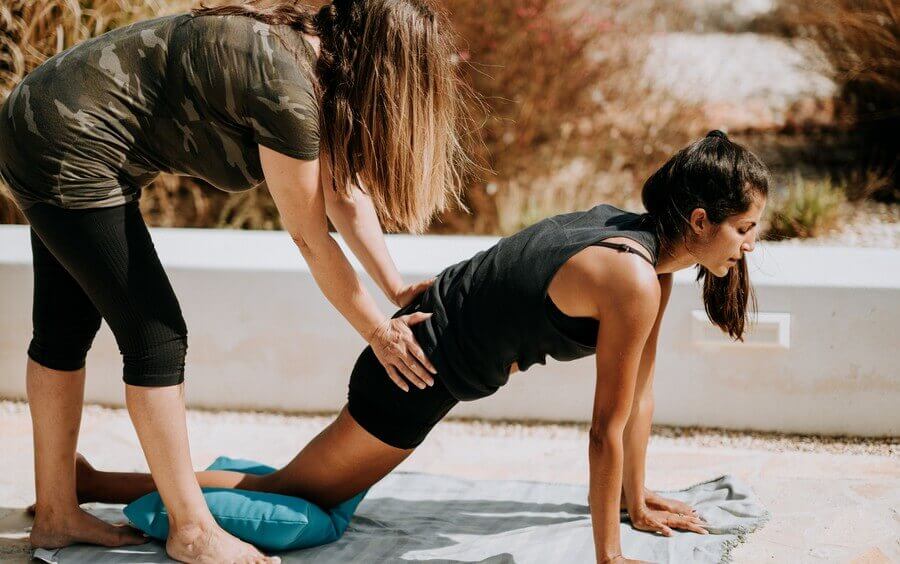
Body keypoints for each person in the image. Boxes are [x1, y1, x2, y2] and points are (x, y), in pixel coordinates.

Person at [71, 131, 770, 563]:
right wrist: (609, 553)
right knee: (293, 496)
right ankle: (100, 486)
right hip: (414, 370)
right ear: (701, 220)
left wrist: (635, 500)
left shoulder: (644, 255)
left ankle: (107, 482)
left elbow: (638, 401)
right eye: (745, 228)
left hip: (428, 345)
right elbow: (603, 430)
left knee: (304, 486)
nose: (749, 245)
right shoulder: (633, 278)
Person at [0, 1, 472, 561]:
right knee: (156, 335)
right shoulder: (289, 91)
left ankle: (56, 515)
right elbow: (311, 238)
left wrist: (394, 289)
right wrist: (379, 332)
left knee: (63, 327)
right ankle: (192, 529)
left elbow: (344, 194)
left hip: (45, 119)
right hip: (66, 139)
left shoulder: (312, 65)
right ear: (386, 65)